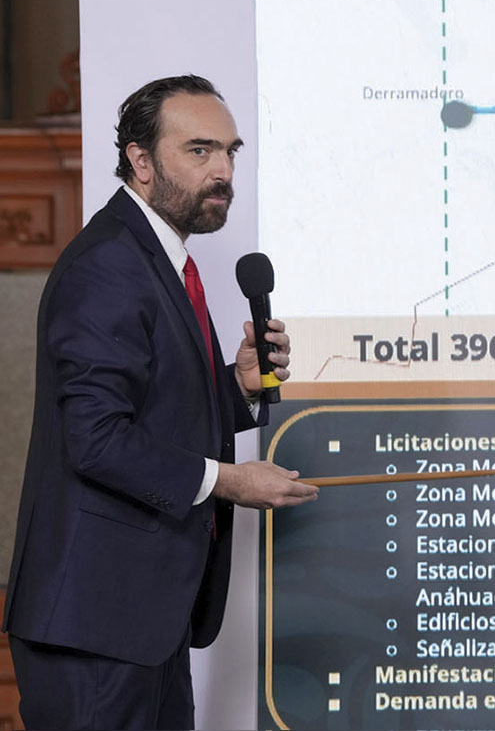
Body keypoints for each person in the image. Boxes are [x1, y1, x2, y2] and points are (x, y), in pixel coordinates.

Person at [1, 75, 320, 730]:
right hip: (94, 627)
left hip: (143, 620)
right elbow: (96, 438)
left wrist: (236, 386)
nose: (223, 171)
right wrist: (228, 480)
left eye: (230, 152)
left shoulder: (156, 258)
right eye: (199, 150)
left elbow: (153, 414)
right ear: (141, 161)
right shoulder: (109, 265)